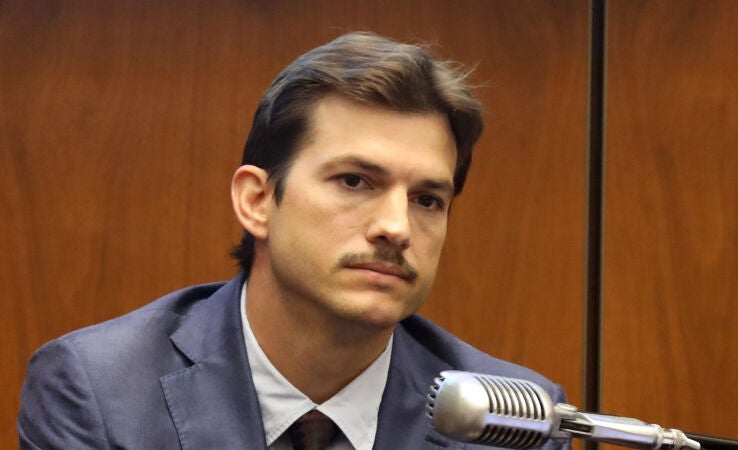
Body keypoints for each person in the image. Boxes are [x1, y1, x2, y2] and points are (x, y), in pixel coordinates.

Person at [18, 32, 569, 450]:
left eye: (426, 199)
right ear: (258, 201)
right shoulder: (99, 389)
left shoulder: (513, 420)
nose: (397, 227)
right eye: (354, 181)